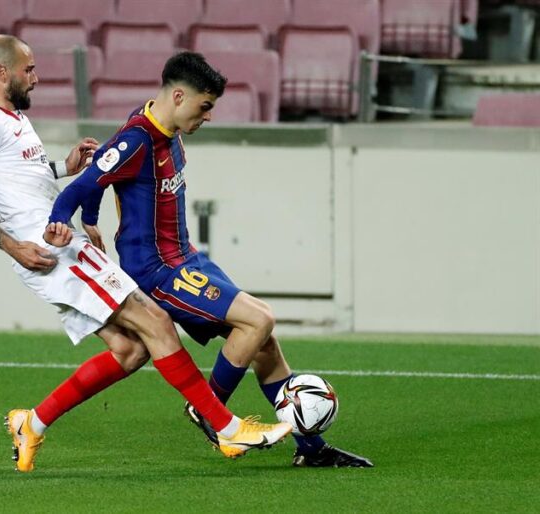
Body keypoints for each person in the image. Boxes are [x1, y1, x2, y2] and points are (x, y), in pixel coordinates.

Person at [0, 36, 292, 472]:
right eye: (28, 70)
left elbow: (13, 181)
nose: (36, 77)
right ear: (1, 73)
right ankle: (224, 427)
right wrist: (12, 246)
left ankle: (31, 423)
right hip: (50, 248)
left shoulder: (10, 119)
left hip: (60, 242)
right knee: (157, 322)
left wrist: (61, 169)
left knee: (131, 350)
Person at [48, 51, 373, 468]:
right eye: (205, 106)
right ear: (179, 97)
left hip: (187, 260)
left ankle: (310, 450)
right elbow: (79, 187)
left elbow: (98, 173)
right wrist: (66, 220)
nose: (208, 116)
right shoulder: (138, 139)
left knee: (262, 344)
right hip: (159, 272)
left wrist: (92, 221)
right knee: (259, 320)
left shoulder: (162, 131)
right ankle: (209, 408)